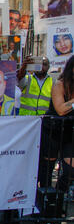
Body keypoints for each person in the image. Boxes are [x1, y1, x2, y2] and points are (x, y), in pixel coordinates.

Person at [38, 56, 74, 206]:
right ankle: (45, 203)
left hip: (69, 132)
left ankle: (58, 196)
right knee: (47, 170)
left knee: (71, 170)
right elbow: (60, 110)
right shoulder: (59, 85)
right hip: (52, 130)